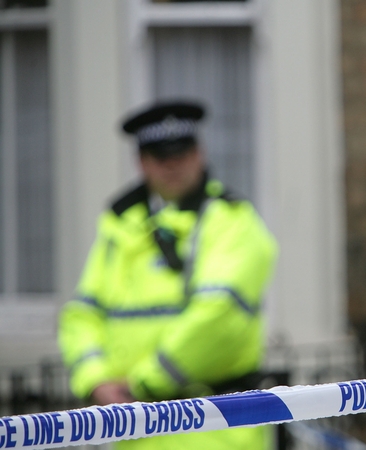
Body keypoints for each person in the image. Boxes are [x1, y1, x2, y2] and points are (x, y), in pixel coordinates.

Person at [58, 101, 278, 450]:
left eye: (183, 154)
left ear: (200, 154)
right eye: (162, 157)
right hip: (133, 431)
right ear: (142, 162)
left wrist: (142, 384)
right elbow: (82, 315)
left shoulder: (232, 220)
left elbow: (217, 316)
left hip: (216, 432)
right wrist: (96, 380)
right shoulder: (120, 226)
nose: (174, 165)